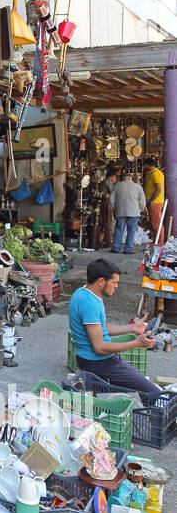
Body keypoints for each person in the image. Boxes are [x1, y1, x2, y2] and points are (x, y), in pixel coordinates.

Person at [68, 258, 159, 396]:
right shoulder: (89, 303)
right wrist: (137, 343)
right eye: (114, 283)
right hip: (98, 363)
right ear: (101, 281)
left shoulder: (84, 293)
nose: (116, 286)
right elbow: (99, 347)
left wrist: (132, 328)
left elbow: (101, 327)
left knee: (146, 387)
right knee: (155, 394)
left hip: (96, 360)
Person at [109, 167, 147, 254]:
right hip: (134, 212)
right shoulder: (138, 186)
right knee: (131, 231)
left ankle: (116, 248)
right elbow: (142, 201)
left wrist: (115, 208)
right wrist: (139, 209)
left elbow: (111, 199)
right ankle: (128, 249)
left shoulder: (118, 185)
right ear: (131, 179)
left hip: (121, 211)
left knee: (119, 230)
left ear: (123, 178)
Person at [144, 157, 165, 241]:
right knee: (153, 223)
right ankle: (156, 241)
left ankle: (159, 243)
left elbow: (159, 189)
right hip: (152, 202)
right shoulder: (151, 173)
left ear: (147, 165)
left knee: (156, 223)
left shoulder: (156, 174)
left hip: (155, 202)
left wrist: (152, 200)